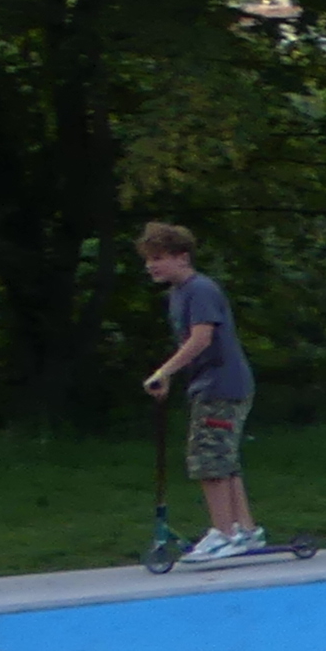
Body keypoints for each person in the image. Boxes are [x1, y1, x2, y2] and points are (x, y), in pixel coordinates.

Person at [136, 222, 260, 564]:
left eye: (159, 258)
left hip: (221, 386)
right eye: (148, 259)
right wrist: (171, 378)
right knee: (224, 459)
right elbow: (192, 347)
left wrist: (163, 371)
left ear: (182, 257)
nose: (151, 265)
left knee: (208, 460)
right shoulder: (179, 293)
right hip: (213, 383)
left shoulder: (199, 289)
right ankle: (245, 531)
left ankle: (223, 534)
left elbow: (202, 338)